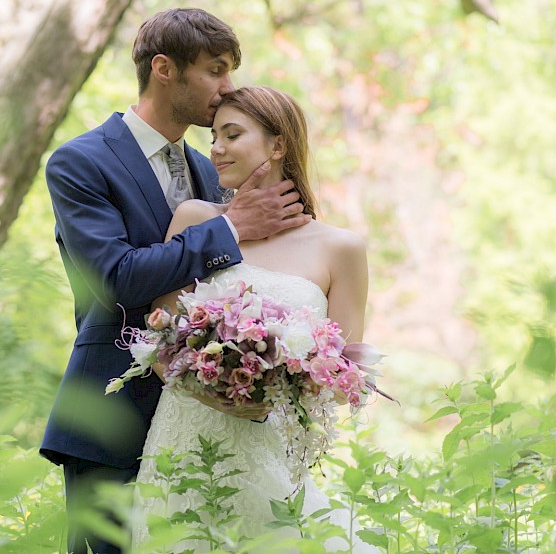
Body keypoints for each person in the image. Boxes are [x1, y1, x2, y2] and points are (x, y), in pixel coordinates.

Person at [39, 9, 311, 554]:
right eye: (215, 69)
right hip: (108, 416)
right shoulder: (78, 163)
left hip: (209, 422)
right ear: (164, 69)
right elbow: (116, 279)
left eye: (230, 70)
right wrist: (230, 226)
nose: (227, 87)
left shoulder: (212, 169)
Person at [132, 85, 380, 552]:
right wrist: (208, 388)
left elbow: (343, 372)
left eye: (232, 135)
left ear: (278, 144)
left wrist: (277, 389)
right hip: (184, 440)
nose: (216, 149)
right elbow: (158, 329)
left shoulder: (341, 249)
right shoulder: (195, 219)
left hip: (272, 449)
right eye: (213, 138)